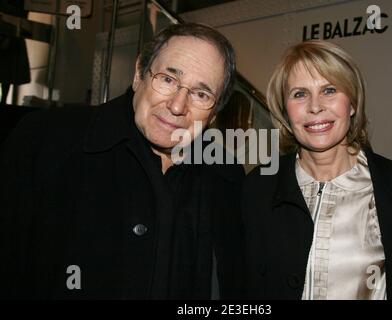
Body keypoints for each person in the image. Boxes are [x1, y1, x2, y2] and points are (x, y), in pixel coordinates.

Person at [0, 23, 244, 299]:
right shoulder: (46, 141)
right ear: (139, 72)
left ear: (214, 112)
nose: (177, 106)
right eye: (167, 79)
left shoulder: (226, 176)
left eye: (201, 94)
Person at [242, 40, 392, 299]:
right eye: (299, 94)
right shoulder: (257, 188)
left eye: (329, 90)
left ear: (352, 104)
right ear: (285, 111)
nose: (315, 106)